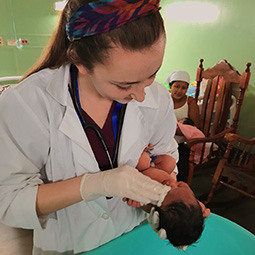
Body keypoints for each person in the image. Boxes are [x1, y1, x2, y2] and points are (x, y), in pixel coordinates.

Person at [0, 1, 179, 254]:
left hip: (135, 238)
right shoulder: (26, 104)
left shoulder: (157, 98)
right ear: (81, 62)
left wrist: (160, 197)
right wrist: (97, 184)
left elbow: (166, 156)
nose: (141, 95)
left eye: (152, 74)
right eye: (124, 85)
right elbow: (7, 201)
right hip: (70, 246)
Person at [125, 147, 208, 250]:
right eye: (179, 185)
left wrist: (134, 196)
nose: (171, 183)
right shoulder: (178, 198)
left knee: (142, 161)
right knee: (170, 162)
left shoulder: (149, 201)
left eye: (168, 190)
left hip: (143, 169)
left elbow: (133, 192)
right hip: (159, 169)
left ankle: (141, 150)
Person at [165, 70, 200, 182]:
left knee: (180, 167)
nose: (179, 91)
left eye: (183, 88)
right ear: (170, 86)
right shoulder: (164, 99)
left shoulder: (190, 102)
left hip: (181, 144)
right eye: (177, 86)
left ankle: (178, 188)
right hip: (163, 140)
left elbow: (194, 127)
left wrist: (178, 129)